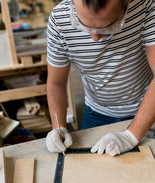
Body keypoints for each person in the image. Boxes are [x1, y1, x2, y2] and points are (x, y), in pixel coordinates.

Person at [46, 0, 155, 156]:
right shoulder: (59, 20)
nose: (95, 38)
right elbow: (56, 83)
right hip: (96, 113)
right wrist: (59, 128)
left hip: (146, 111)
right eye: (84, 26)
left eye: (108, 26)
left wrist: (131, 135)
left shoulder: (146, 6)